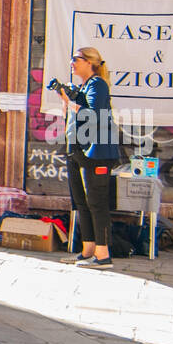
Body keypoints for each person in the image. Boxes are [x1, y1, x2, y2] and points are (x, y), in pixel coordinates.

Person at [58, 46, 120, 269]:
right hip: (77, 150)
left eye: (76, 59)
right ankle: (88, 250)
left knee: (96, 202)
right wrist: (66, 100)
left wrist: (71, 100)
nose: (72, 63)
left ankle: (103, 256)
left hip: (96, 152)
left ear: (90, 62)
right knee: (81, 202)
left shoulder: (97, 85)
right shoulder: (83, 87)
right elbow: (72, 117)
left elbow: (93, 115)